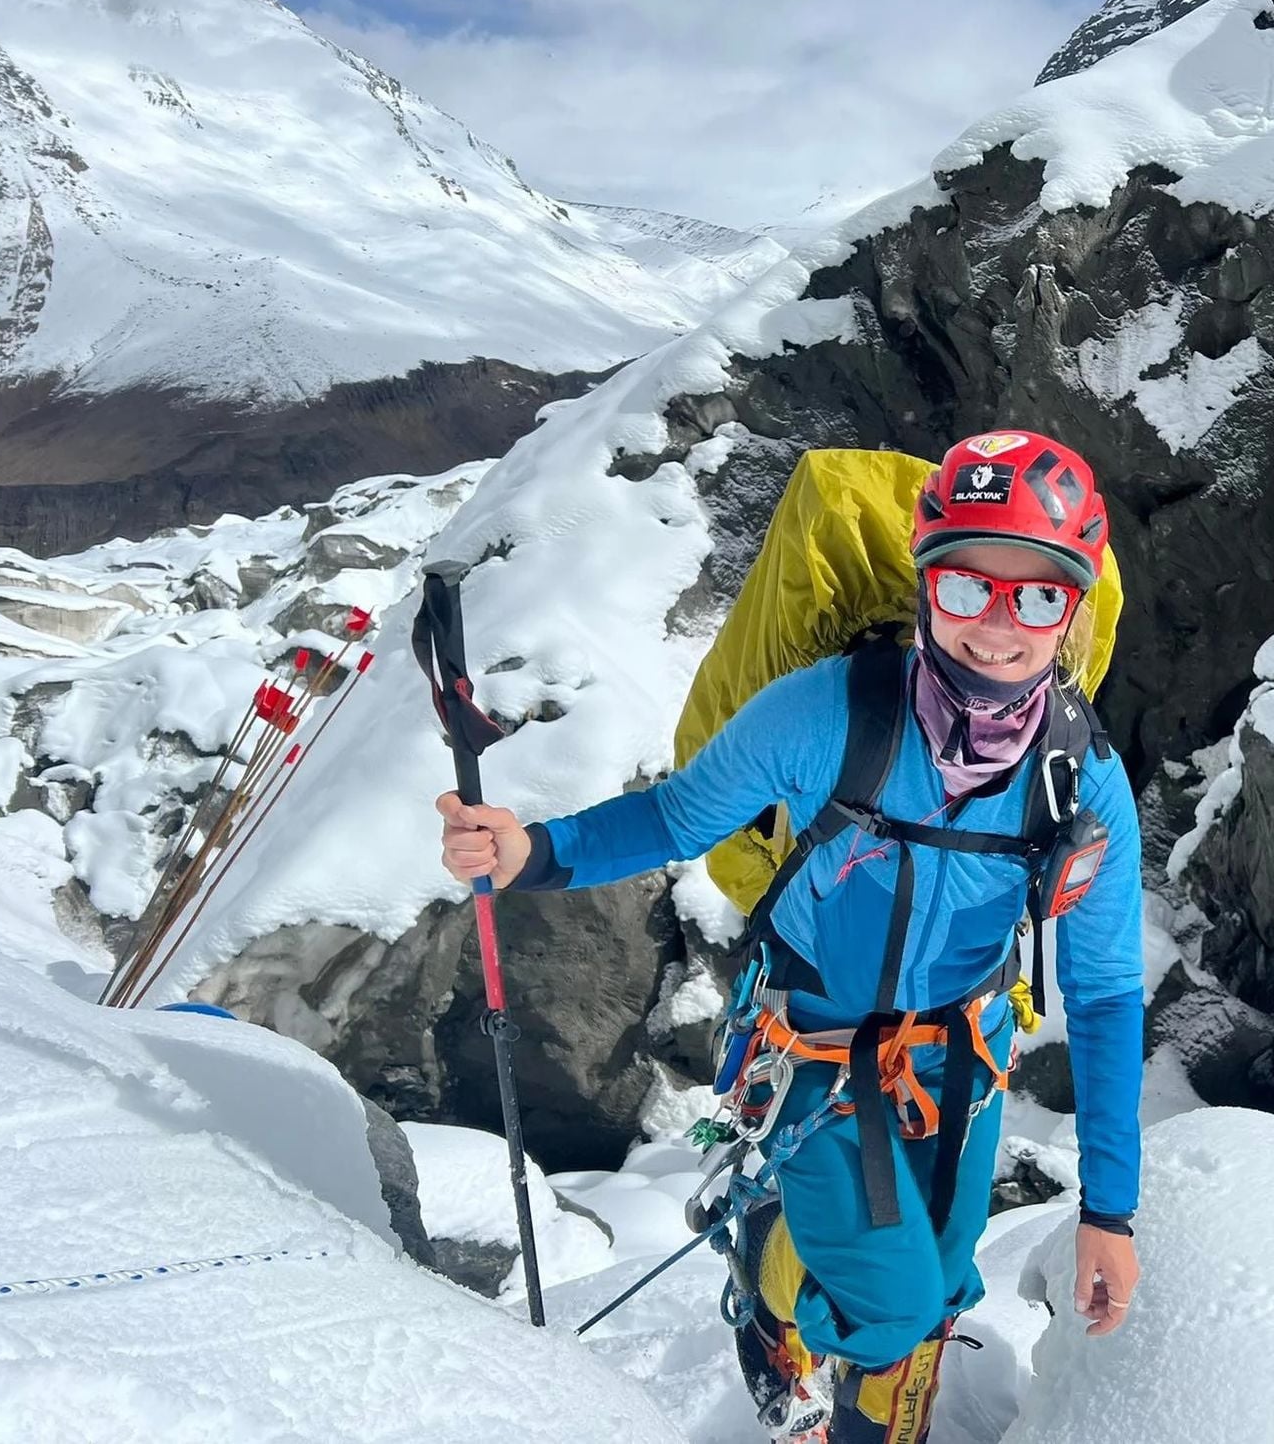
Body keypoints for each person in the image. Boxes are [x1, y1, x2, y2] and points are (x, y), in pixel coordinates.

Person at [439, 431, 1142, 1443]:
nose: (997, 627)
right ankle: (778, 1293)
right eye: (965, 588)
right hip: (808, 1046)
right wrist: (530, 852)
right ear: (924, 583)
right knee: (894, 1307)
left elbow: (1110, 991)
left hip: (960, 1054)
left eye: (1034, 596)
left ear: (1070, 608)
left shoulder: (1080, 781)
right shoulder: (828, 715)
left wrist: (1108, 1213)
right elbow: (677, 818)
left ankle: (820, 1315)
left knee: (938, 1289)